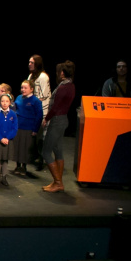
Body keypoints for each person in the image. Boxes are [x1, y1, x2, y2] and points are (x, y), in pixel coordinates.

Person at [42, 61, 76, 193]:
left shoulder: (63, 87)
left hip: (57, 120)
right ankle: (58, 182)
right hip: (63, 119)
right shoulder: (70, 85)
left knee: (46, 151)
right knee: (58, 151)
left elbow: (55, 107)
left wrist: (46, 118)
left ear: (62, 72)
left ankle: (58, 182)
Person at [12, 80, 43, 177]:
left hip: (29, 127)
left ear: (31, 89)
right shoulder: (18, 98)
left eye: (25, 88)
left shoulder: (36, 101)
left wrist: (35, 129)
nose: (23, 90)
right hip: (18, 126)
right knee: (17, 147)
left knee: (25, 148)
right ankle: (17, 166)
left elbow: (39, 116)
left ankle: (23, 167)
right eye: (22, 87)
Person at [28, 55, 51, 171]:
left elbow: (44, 95)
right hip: (33, 110)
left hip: (42, 109)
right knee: (33, 134)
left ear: (37, 63)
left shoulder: (43, 77)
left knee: (41, 135)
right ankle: (34, 156)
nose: (29, 64)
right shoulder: (31, 76)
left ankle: (42, 159)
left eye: (32, 62)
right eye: (29, 62)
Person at [0, 94, 18, 187]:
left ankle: (4, 177)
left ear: (10, 103)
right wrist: (1, 138)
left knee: (5, 159)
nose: (4, 103)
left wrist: (7, 138)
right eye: (2, 101)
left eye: (6, 101)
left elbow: (14, 128)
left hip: (8, 140)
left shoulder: (13, 114)